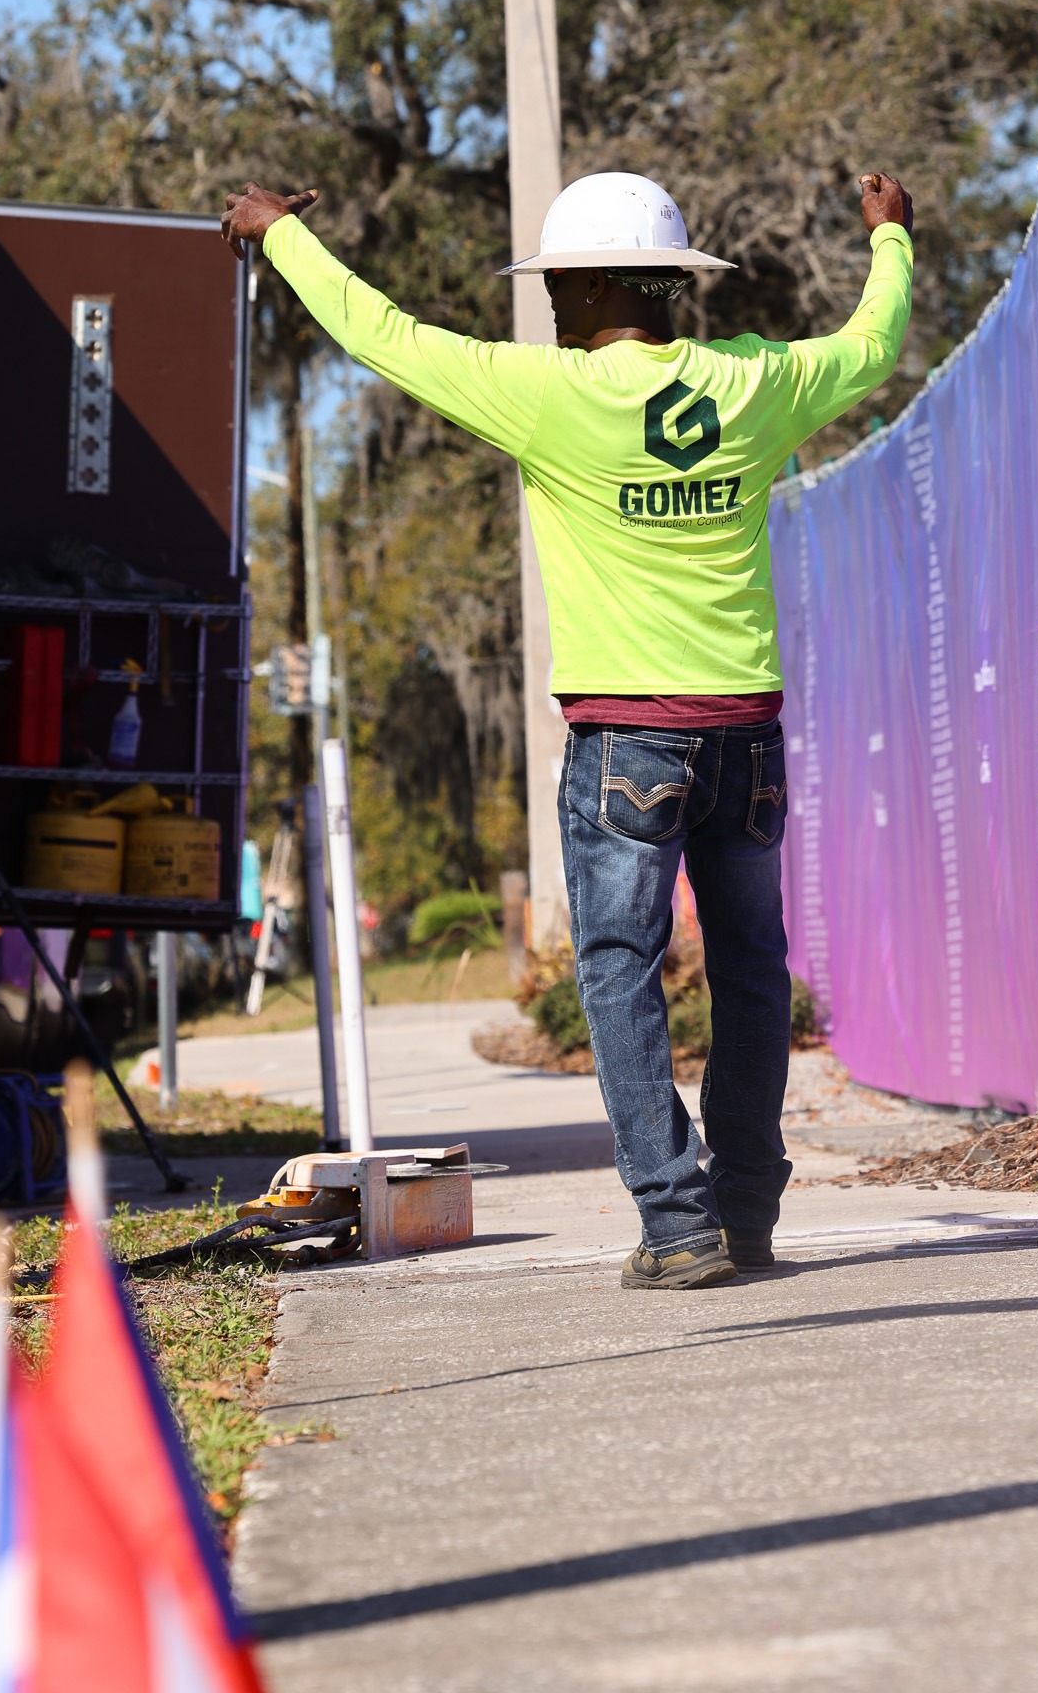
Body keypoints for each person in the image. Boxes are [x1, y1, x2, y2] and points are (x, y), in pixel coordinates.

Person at [222, 167, 914, 1289]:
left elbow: (386, 336)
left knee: (618, 971)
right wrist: (889, 239)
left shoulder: (546, 396)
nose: (545, 303)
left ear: (597, 288)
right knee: (750, 972)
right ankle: (744, 1213)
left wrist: (282, 238)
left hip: (626, 743)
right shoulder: (757, 383)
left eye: (556, 284)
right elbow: (870, 344)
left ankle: (678, 1225)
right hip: (745, 735)